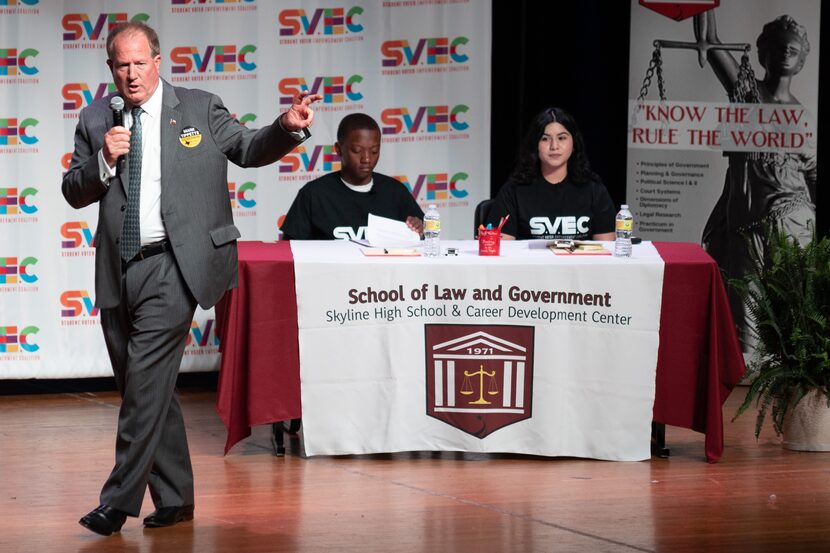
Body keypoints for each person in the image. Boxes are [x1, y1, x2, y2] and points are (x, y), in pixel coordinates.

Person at [61, 22, 321, 536]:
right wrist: (103, 161)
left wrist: (287, 126)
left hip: (175, 265)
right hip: (119, 267)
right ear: (110, 68)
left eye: (140, 63)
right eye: (121, 65)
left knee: (143, 389)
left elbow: (249, 148)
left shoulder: (199, 108)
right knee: (146, 387)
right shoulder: (96, 120)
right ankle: (176, 497)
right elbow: (73, 190)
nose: (132, 74)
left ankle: (117, 502)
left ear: (158, 61)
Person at [694, 11, 817, 349]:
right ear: (763, 54)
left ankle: (786, 401)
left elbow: (815, 177)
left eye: (793, 50)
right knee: (746, 326)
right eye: (779, 48)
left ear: (802, 58)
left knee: (793, 323)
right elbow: (710, 42)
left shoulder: (804, 117)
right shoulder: (749, 94)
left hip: (798, 224)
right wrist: (706, 5)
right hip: (750, 225)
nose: (785, 54)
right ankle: (745, 398)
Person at [280, 113, 424, 241]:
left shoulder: (395, 191)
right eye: (357, 150)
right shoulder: (314, 194)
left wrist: (420, 229)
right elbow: (289, 249)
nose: (366, 159)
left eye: (374, 151)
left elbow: (425, 236)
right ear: (338, 149)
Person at [485, 107, 616, 241]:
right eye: (545, 139)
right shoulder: (513, 191)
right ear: (535, 144)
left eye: (561, 138)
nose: (554, 146)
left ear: (574, 142)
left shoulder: (594, 190)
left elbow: (606, 250)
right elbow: (502, 250)